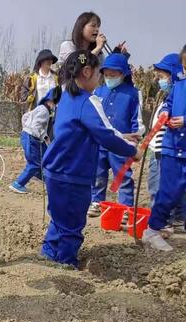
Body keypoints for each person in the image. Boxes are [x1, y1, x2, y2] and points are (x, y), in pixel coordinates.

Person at [40, 51, 141, 267]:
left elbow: (87, 128)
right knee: (73, 222)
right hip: (73, 174)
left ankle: (48, 253)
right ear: (87, 72)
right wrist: (132, 151)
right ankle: (66, 263)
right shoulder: (89, 101)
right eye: (98, 75)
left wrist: (121, 136)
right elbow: (105, 134)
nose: (100, 80)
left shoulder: (66, 95)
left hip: (54, 170)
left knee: (59, 217)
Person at [88, 53, 145, 218]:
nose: (109, 78)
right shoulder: (98, 91)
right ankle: (97, 202)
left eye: (113, 75)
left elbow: (138, 120)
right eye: (106, 75)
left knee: (123, 176)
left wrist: (135, 140)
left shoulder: (133, 93)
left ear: (123, 74)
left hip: (121, 144)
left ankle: (125, 208)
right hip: (101, 142)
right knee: (98, 173)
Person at [143, 47, 186, 251]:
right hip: (173, 147)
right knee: (169, 191)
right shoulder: (179, 87)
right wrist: (166, 113)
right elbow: (168, 103)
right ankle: (152, 229)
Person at [10, 86, 61, 193]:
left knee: (40, 161)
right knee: (34, 163)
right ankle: (18, 183)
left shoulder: (39, 108)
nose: (54, 106)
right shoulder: (45, 112)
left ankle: (50, 183)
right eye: (54, 104)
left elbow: (25, 116)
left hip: (28, 136)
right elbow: (37, 126)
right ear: (51, 102)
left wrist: (25, 128)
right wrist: (44, 136)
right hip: (31, 138)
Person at [57, 12, 128, 71]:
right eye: (93, 26)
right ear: (81, 28)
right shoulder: (68, 46)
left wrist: (117, 55)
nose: (97, 29)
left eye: (98, 26)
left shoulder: (99, 54)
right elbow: (76, 65)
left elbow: (104, 74)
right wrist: (98, 48)